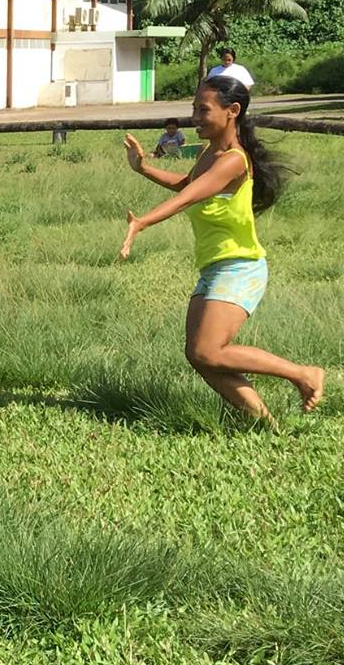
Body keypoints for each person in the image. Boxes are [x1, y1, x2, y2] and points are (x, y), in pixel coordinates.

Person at [120, 68, 324, 421]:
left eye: (203, 110)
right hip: (215, 267)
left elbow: (190, 196)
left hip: (240, 267)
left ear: (232, 111)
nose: (195, 118)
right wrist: (144, 168)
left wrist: (144, 221)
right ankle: (263, 423)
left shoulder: (233, 160)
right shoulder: (210, 152)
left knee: (209, 350)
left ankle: (303, 373)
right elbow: (188, 182)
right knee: (200, 355)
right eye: (195, 109)